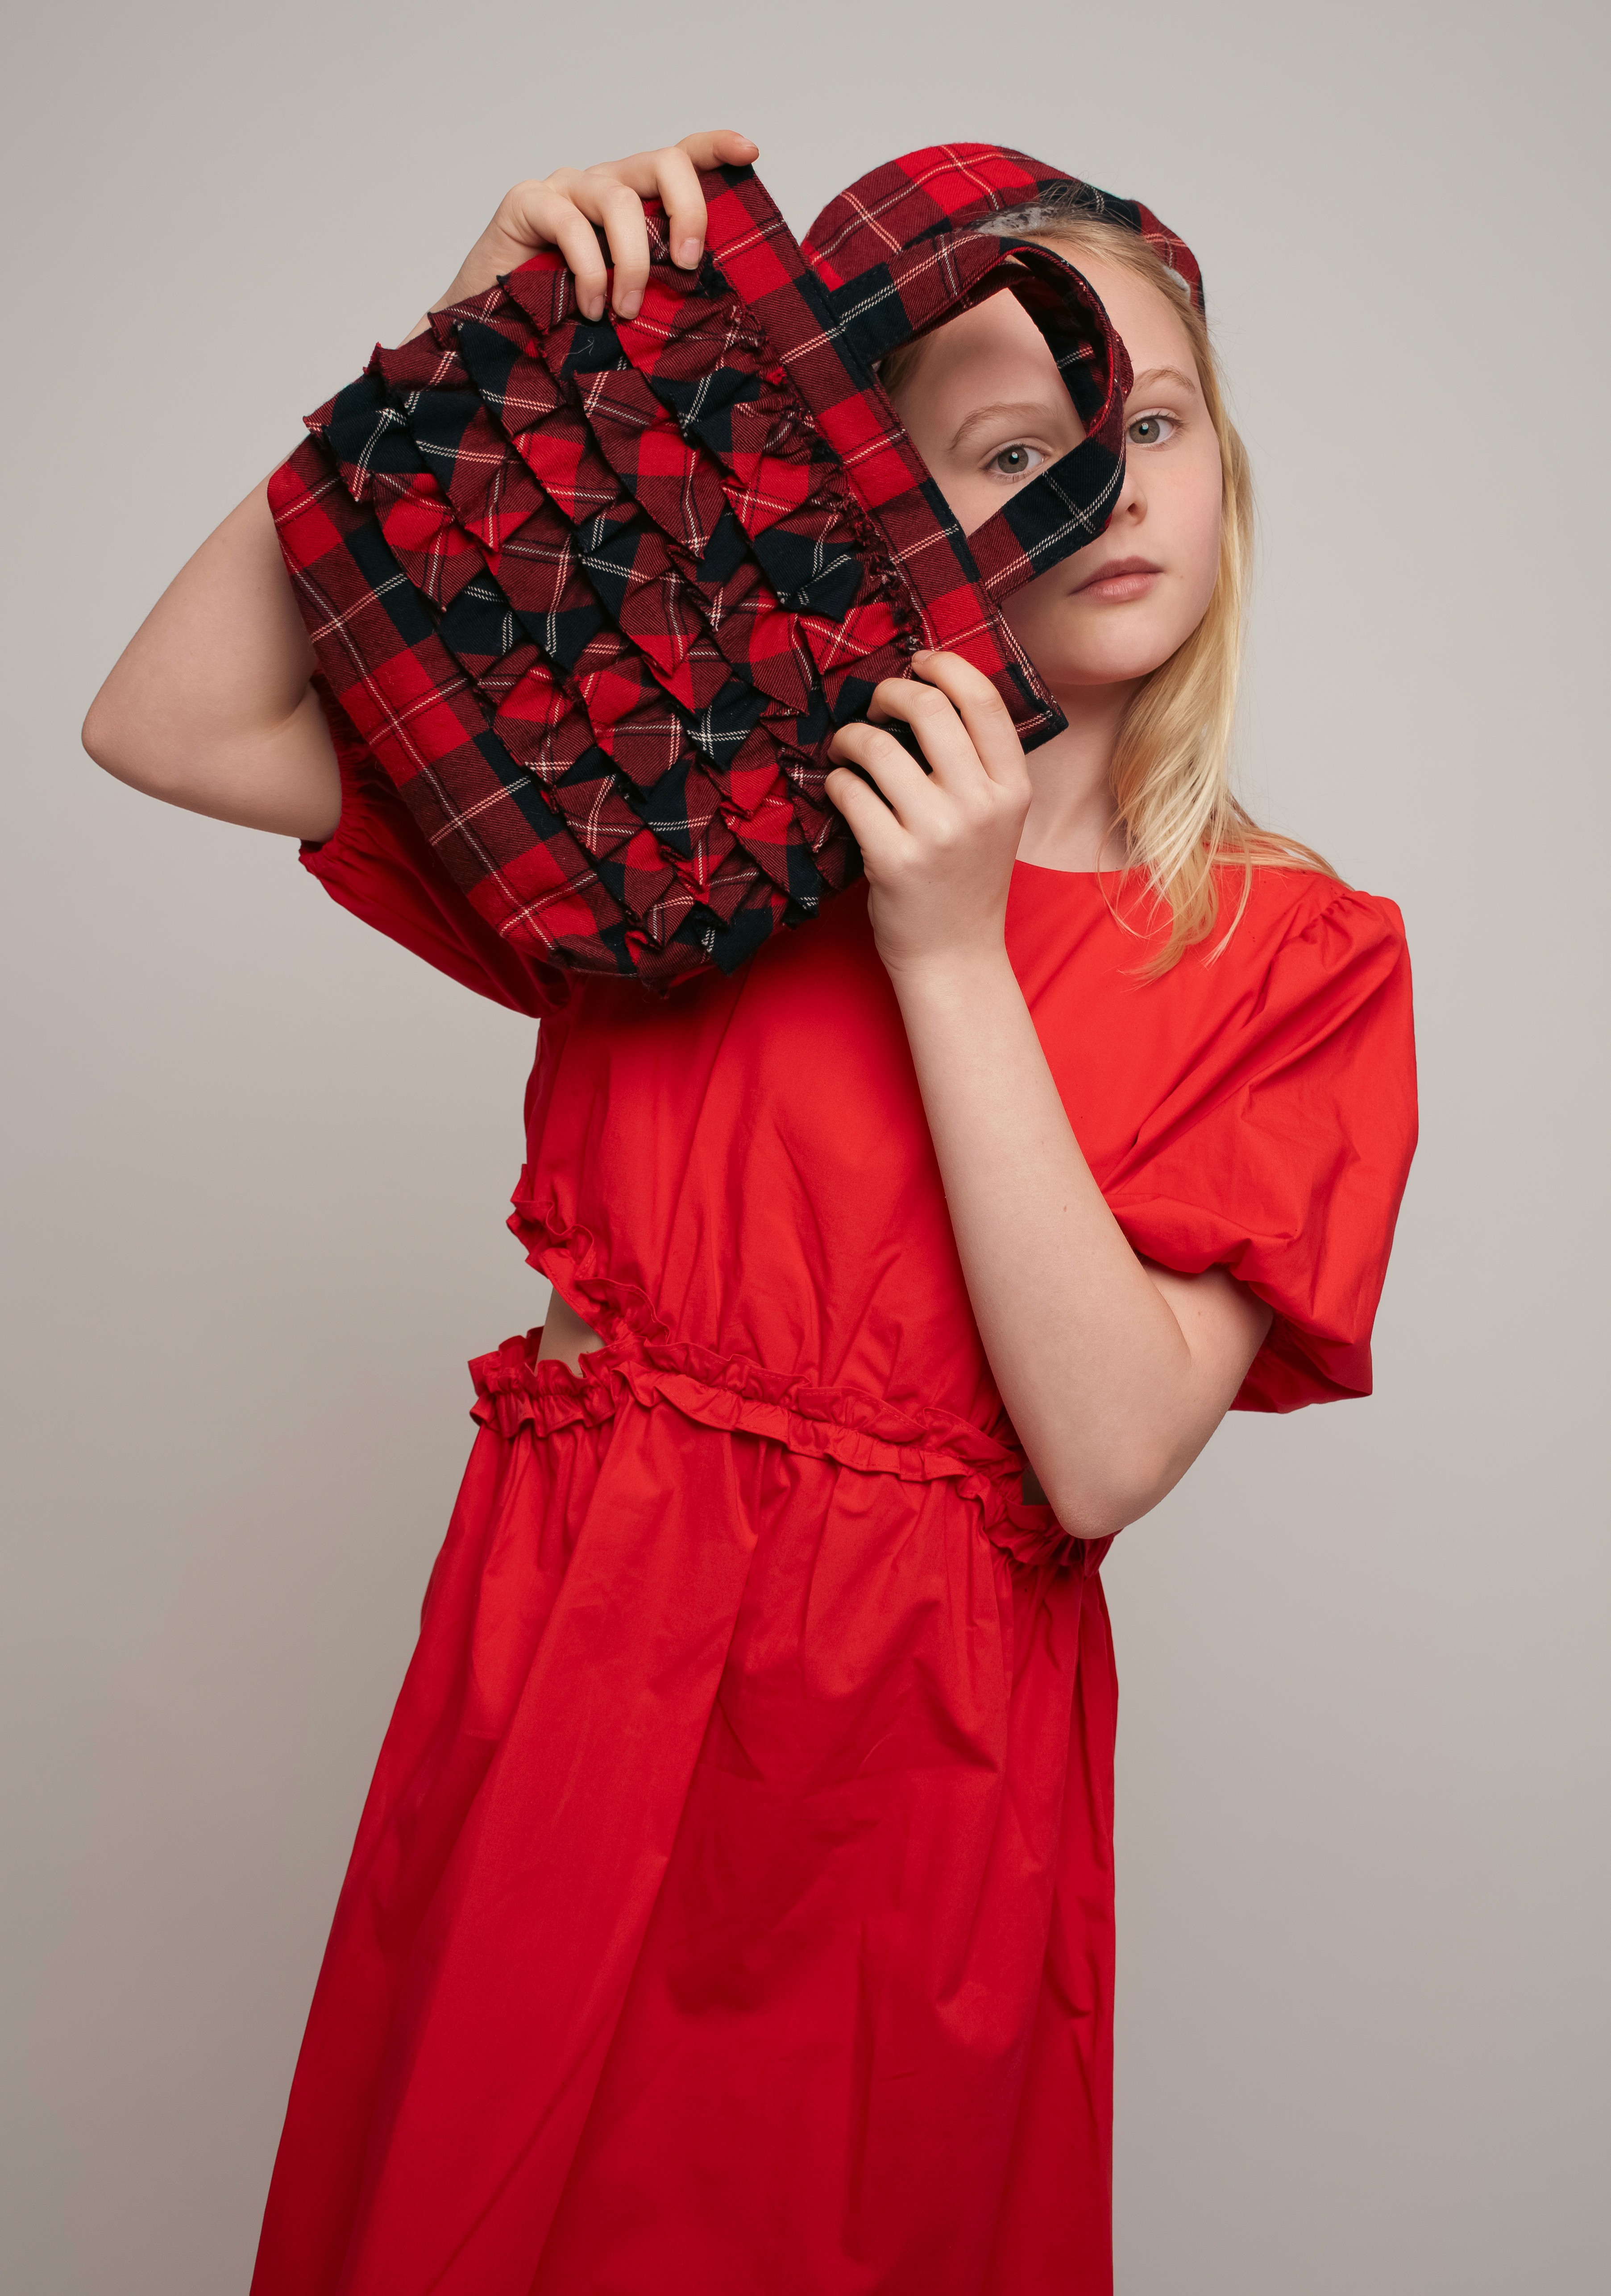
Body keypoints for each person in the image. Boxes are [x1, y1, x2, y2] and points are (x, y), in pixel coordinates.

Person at [82, 129, 1417, 2296]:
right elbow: (165, 722)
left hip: (907, 1786)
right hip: (573, 1690)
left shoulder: (1294, 958)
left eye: (1153, 425)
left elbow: (1102, 1451)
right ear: (878, 512)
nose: (1108, 488)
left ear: (1223, 468)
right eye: (1013, 454)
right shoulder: (677, 823)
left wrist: (950, 948)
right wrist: (468, 369)